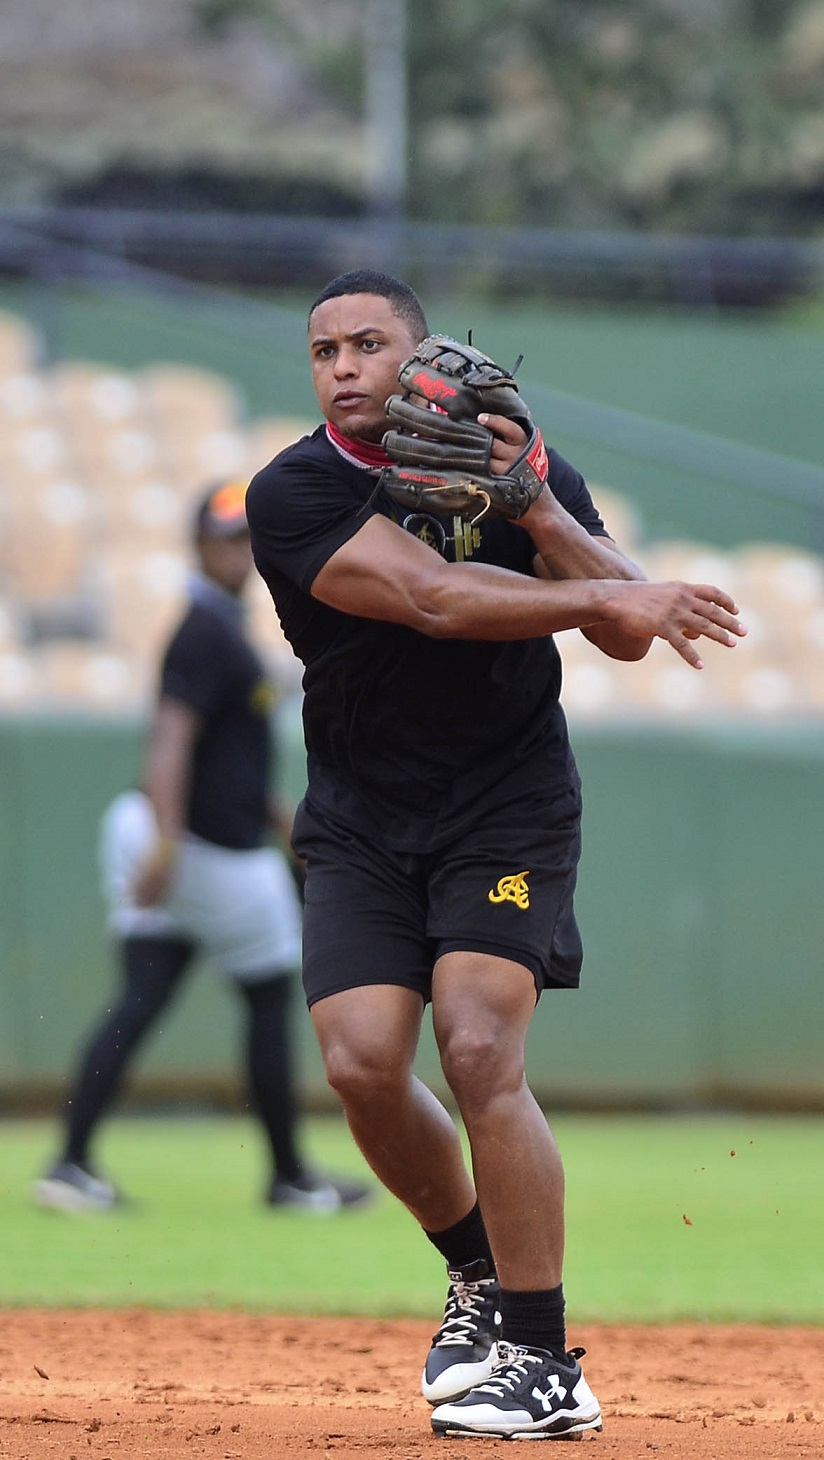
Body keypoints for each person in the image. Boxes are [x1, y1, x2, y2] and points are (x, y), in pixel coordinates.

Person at [244, 271, 746, 1440]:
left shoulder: (524, 464)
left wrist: (537, 507)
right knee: (361, 1063)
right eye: (323, 351)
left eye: (368, 343)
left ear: (421, 358)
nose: (343, 367)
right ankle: (473, 1272)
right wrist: (592, 585)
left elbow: (631, 635)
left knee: (475, 1043)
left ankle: (541, 1352)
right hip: (361, 816)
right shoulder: (295, 489)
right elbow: (430, 597)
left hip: (504, 807)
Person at [35, 480, 373, 1217]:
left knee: (144, 994)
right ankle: (290, 1177)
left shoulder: (220, 625)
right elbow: (170, 738)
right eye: (225, 538)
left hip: (181, 836)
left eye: (245, 538)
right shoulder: (204, 630)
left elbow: (227, 761)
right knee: (269, 991)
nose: (237, 552)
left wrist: (281, 822)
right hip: (196, 844)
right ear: (197, 545)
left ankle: (70, 1163)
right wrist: (166, 840)